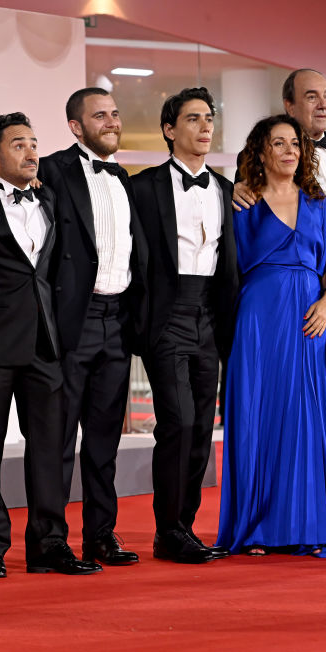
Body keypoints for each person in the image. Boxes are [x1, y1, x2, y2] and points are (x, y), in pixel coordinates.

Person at [0, 113, 102, 578]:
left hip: (45, 343)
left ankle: (49, 544)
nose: (32, 152)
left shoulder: (50, 199)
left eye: (34, 143)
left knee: (49, 448)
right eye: (19, 144)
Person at [232, 69, 326, 545]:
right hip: (260, 318)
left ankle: (309, 525)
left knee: (310, 419)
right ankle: (256, 527)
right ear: (262, 151)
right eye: (280, 143)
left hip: (311, 316)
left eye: (295, 145)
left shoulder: (316, 201)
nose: (290, 150)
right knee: (261, 416)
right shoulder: (242, 202)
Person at [38, 88, 147, 566]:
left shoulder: (123, 177)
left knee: (104, 441)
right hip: (72, 322)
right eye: (98, 115)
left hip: (117, 321)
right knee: (58, 440)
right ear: (75, 127)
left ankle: (101, 534)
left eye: (115, 113)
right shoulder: (53, 170)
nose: (111, 121)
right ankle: (49, 541)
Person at [131, 88, 237, 564]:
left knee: (200, 430)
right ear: (170, 129)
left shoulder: (227, 189)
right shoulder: (143, 186)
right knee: (178, 422)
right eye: (193, 118)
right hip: (167, 315)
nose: (204, 126)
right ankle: (168, 529)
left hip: (210, 316)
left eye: (208, 118)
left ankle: (184, 527)